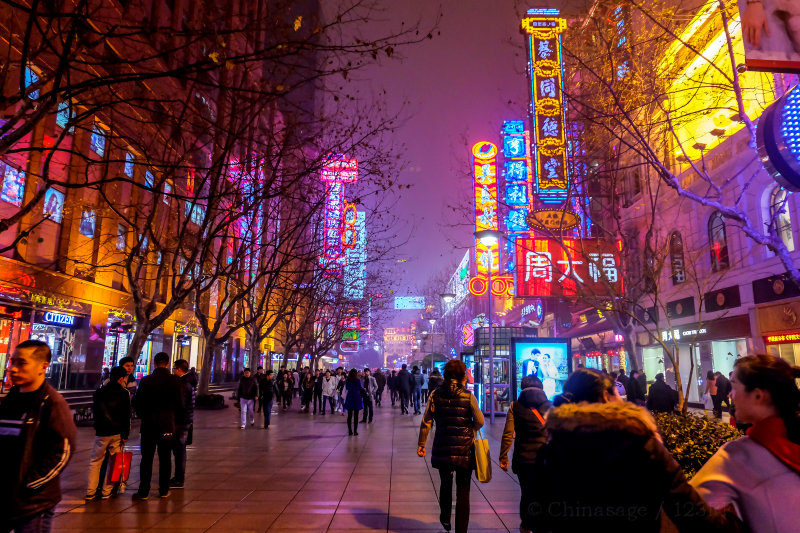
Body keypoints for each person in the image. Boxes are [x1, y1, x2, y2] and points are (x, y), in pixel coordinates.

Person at [527, 368, 745, 532]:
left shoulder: (552, 449)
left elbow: (535, 515)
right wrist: (732, 525)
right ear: (605, 396)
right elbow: (684, 504)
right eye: (616, 392)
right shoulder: (640, 443)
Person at [691, 355, 800, 533]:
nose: (731, 395)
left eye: (734, 387)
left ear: (758, 396)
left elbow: (686, 509)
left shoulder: (737, 457)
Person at [0, 340, 76, 533]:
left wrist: (29, 484)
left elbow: (62, 453)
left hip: (33, 505)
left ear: (43, 366)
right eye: (12, 362)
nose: (13, 369)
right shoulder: (11, 399)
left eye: (21, 363)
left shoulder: (52, 404)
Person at [417, 360, 484, 533]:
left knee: (445, 484)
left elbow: (426, 421)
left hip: (443, 447)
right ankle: (461, 530)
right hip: (465, 450)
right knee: (463, 490)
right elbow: (480, 421)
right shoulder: (469, 396)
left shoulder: (435, 394)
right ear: (462, 376)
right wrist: (469, 428)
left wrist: (422, 444)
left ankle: (445, 518)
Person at [499, 375, 551, 533]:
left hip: (524, 459)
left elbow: (508, 434)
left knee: (527, 493)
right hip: (546, 460)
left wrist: (503, 457)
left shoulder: (515, 406)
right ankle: (544, 525)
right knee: (545, 493)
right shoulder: (551, 407)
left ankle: (526, 525)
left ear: (522, 388)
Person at [132, 352, 183, 500]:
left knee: (146, 458)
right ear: (167, 364)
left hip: (148, 425)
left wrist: (144, 416)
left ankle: (143, 491)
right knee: (165, 458)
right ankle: (164, 489)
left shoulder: (146, 381)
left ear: (154, 363)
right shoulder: (175, 380)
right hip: (167, 425)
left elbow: (138, 402)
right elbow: (180, 404)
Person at [86, 366, 130, 500]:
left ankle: (90, 491)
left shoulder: (99, 392)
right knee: (113, 462)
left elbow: (95, 412)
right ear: (121, 378)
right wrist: (125, 435)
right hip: (116, 433)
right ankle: (106, 490)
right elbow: (126, 415)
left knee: (95, 461)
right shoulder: (123, 393)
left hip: (102, 432)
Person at [170, 359, 194, 489]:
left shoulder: (183, 384)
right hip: (186, 421)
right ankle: (179, 477)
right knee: (180, 450)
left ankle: (179, 478)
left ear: (179, 369)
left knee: (179, 451)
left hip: (180, 422)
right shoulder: (189, 383)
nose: (173, 371)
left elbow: (181, 405)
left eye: (174, 368)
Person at [343, 369, 364, 436]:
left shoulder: (348, 381)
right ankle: (355, 431)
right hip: (357, 398)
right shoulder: (358, 380)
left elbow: (347, 388)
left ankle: (350, 431)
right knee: (356, 415)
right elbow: (360, 388)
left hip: (350, 397)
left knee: (349, 415)